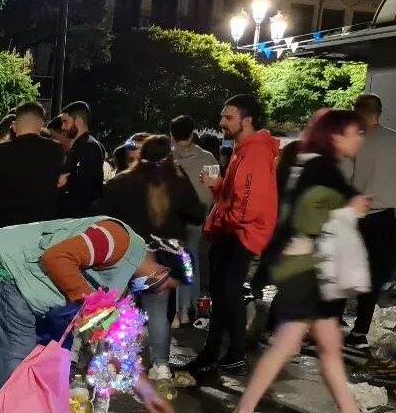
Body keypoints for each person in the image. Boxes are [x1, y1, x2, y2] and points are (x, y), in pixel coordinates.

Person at [224, 109, 396, 413]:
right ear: (336, 135)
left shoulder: (311, 162)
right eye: (355, 132)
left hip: (306, 270)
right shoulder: (321, 166)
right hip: (306, 272)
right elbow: (305, 219)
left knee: (329, 345)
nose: (360, 138)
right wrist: (351, 209)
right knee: (286, 345)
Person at [0, 212, 178, 413]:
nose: (162, 292)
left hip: (38, 284)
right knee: (18, 353)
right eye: (168, 285)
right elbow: (57, 257)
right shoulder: (117, 239)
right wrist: (92, 303)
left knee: (56, 357)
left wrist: (148, 394)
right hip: (6, 263)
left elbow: (116, 344)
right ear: (163, 271)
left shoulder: (124, 285)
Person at [181, 94, 279, 379]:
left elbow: (247, 204)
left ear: (246, 121)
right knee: (224, 295)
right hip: (234, 231)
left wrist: (224, 223)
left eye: (229, 117)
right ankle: (215, 354)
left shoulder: (255, 151)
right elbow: (238, 194)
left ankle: (232, 355)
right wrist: (218, 186)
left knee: (229, 294)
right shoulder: (244, 148)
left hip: (239, 234)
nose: (221, 122)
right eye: (223, 116)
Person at [95, 135, 205, 378]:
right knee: (157, 312)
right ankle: (161, 365)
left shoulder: (121, 182)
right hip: (161, 262)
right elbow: (197, 215)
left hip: (125, 257)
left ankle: (115, 364)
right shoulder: (178, 182)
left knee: (119, 309)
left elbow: (102, 217)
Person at [345, 93, 396, 346]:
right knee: (375, 274)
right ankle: (359, 331)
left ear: (356, 112)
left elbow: (344, 179)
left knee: (343, 269)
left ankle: (332, 323)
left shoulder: (352, 141)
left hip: (353, 215)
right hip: (385, 218)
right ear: (379, 113)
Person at [0, 101, 67, 230]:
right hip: (41, 230)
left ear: (14, 125)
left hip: (4, 228)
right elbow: (61, 182)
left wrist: (5, 207)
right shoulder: (57, 150)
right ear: (41, 125)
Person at [168, 114, 219, 322]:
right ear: (192, 132)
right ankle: (192, 307)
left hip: (171, 220)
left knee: (173, 262)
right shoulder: (208, 158)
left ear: (171, 134)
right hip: (198, 218)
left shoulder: (167, 159)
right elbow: (215, 190)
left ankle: (178, 310)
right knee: (193, 260)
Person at [59, 101, 106, 217]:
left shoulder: (89, 146)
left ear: (78, 121)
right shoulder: (82, 145)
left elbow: (85, 188)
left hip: (80, 219)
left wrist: (64, 182)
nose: (62, 127)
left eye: (65, 122)